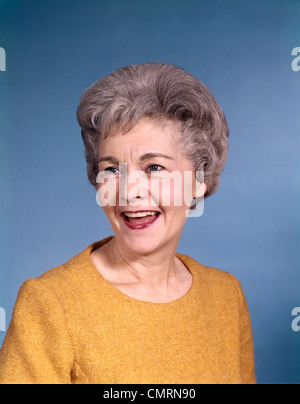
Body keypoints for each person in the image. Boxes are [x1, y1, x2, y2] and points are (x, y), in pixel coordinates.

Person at [0, 63, 256, 384]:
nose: (129, 192)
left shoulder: (225, 296)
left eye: (154, 167)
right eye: (111, 169)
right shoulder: (49, 304)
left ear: (198, 181)